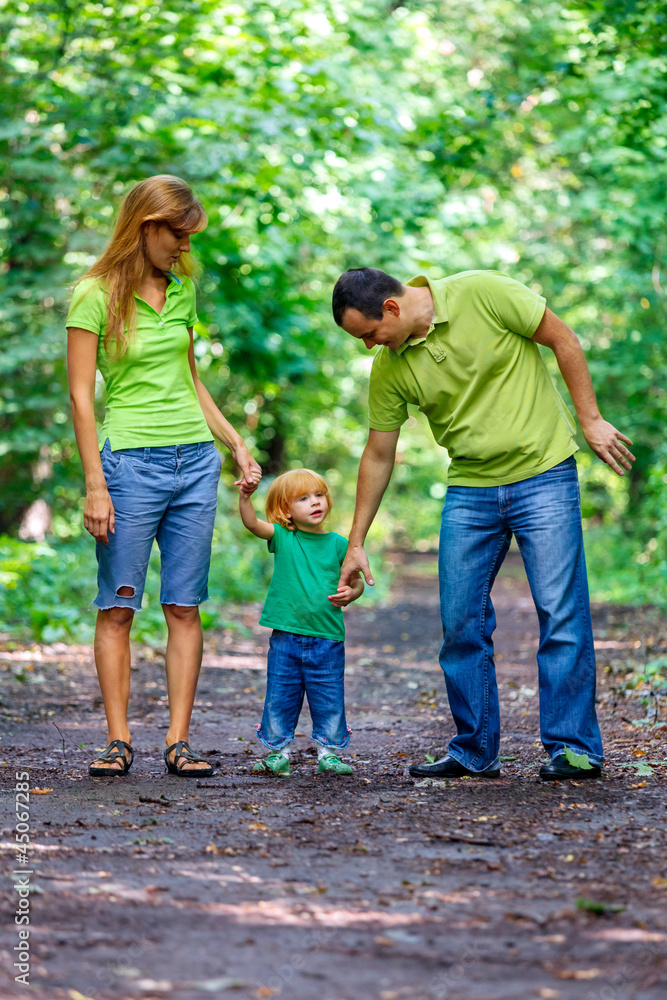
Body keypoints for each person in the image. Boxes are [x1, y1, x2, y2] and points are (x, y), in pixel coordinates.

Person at [333, 266, 635, 781]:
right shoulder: (389, 367)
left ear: (391, 308)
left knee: (561, 611)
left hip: (544, 475)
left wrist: (589, 418)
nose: (368, 346)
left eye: (368, 334)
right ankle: (475, 749)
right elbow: (379, 453)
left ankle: (573, 747)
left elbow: (561, 337)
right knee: (460, 621)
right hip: (470, 489)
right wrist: (356, 541)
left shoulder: (482, 292)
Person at [66, 175, 261, 778]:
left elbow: (190, 379)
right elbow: (79, 397)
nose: (182, 248)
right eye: (176, 236)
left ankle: (178, 742)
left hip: (194, 465)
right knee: (118, 608)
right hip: (128, 466)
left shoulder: (182, 293)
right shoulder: (93, 295)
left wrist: (233, 442)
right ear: (147, 226)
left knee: (184, 606)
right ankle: (118, 741)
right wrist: (95, 485)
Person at [239, 469, 364, 776]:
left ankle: (328, 753)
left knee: (329, 696)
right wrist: (244, 497)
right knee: (281, 695)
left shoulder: (338, 544)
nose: (315, 503)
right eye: (304, 498)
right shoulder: (284, 537)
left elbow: (356, 581)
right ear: (285, 510)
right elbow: (252, 524)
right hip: (286, 637)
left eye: (319, 495)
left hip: (328, 637)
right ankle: (277, 753)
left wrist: (352, 593)